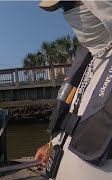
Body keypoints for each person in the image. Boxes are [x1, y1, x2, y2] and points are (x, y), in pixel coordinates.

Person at [35, 0, 112, 179]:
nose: (67, 14)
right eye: (63, 7)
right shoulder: (92, 58)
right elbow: (80, 118)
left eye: (68, 3)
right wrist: (54, 144)